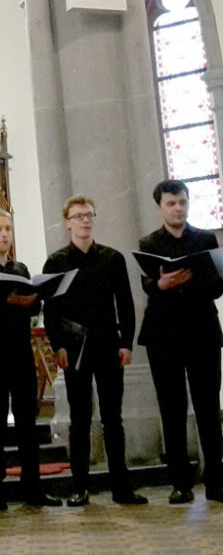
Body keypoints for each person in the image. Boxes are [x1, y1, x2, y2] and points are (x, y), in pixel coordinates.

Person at [42, 195, 147, 507]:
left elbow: (125, 304)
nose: (85, 220)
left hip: (107, 343)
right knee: (80, 417)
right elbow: (51, 311)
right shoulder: (57, 261)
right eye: (78, 216)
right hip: (74, 347)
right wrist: (57, 345)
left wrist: (126, 343)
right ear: (68, 222)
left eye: (89, 215)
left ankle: (121, 488)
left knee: (113, 418)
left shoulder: (112, 258)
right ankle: (80, 488)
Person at [0, 209, 62, 511]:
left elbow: (34, 308)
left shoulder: (20, 269)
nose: (5, 234)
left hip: (22, 353)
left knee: (27, 424)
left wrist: (30, 301)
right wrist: (8, 302)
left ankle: (32, 489)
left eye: (8, 228)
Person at [138, 179, 223, 504]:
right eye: (171, 203)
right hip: (164, 335)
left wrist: (194, 279)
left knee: (207, 408)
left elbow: (217, 286)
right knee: (172, 409)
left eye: (182, 203)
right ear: (159, 207)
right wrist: (161, 283)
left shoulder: (204, 238)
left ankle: (215, 481)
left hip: (202, 332)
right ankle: (180, 483)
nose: (178, 209)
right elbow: (147, 284)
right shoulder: (149, 241)